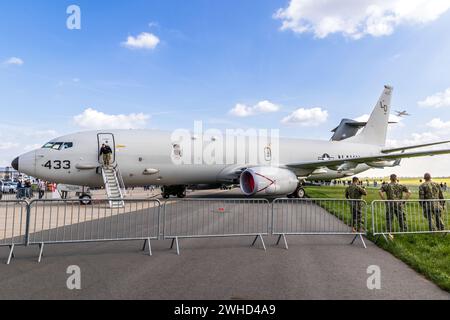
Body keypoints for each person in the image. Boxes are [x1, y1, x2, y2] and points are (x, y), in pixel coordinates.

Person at [379, 174, 411, 238]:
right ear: (396, 178)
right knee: (401, 218)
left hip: (390, 204)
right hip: (399, 204)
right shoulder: (401, 185)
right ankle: (404, 231)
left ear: (390, 178)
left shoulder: (387, 185)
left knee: (389, 218)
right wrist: (403, 201)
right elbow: (409, 192)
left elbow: (380, 191)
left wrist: (384, 200)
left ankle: (389, 232)